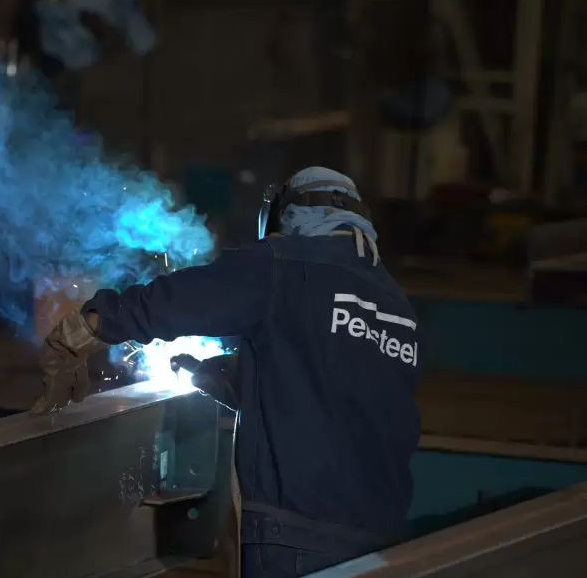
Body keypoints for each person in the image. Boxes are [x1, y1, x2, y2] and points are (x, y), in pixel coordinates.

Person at [32, 166, 421, 577]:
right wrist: (240, 381)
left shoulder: (284, 263)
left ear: (286, 216)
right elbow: (342, 391)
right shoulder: (396, 305)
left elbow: (183, 299)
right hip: (382, 542)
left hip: (295, 535)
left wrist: (88, 328)